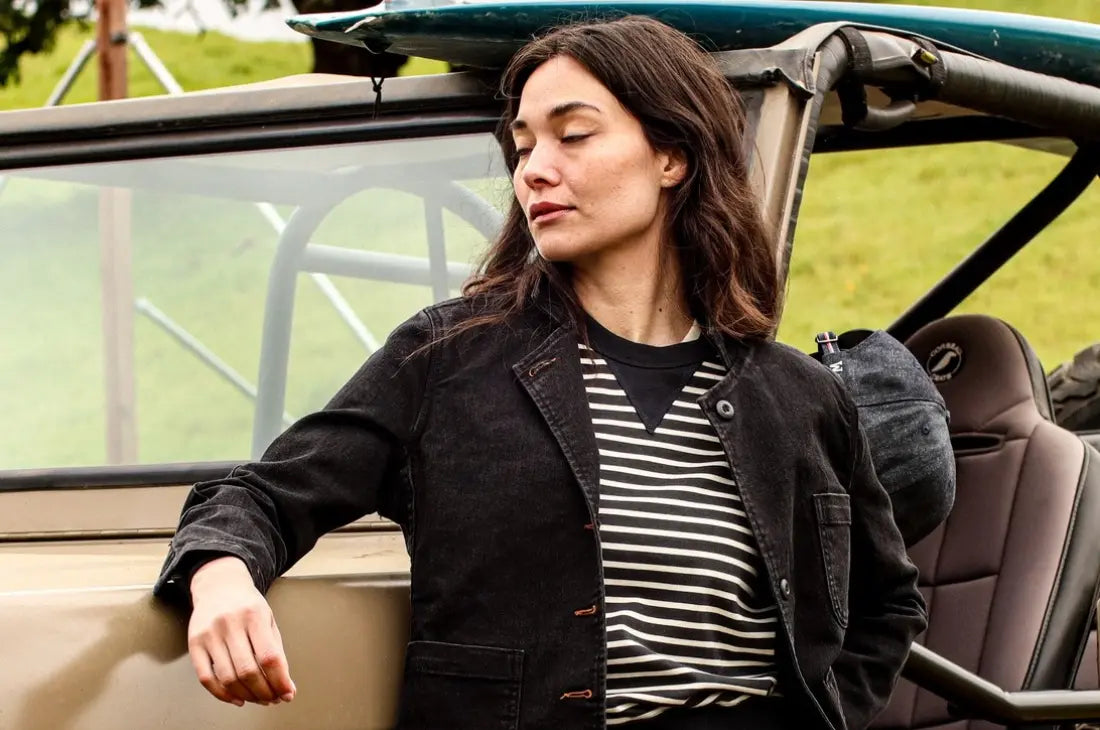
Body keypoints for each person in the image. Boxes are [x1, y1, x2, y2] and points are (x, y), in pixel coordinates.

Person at [155, 16, 926, 730]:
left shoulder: (799, 397)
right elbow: (261, 495)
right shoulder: (446, 359)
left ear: (671, 157)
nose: (534, 172)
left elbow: (886, 603)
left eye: (573, 136)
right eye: (523, 148)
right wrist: (221, 579)